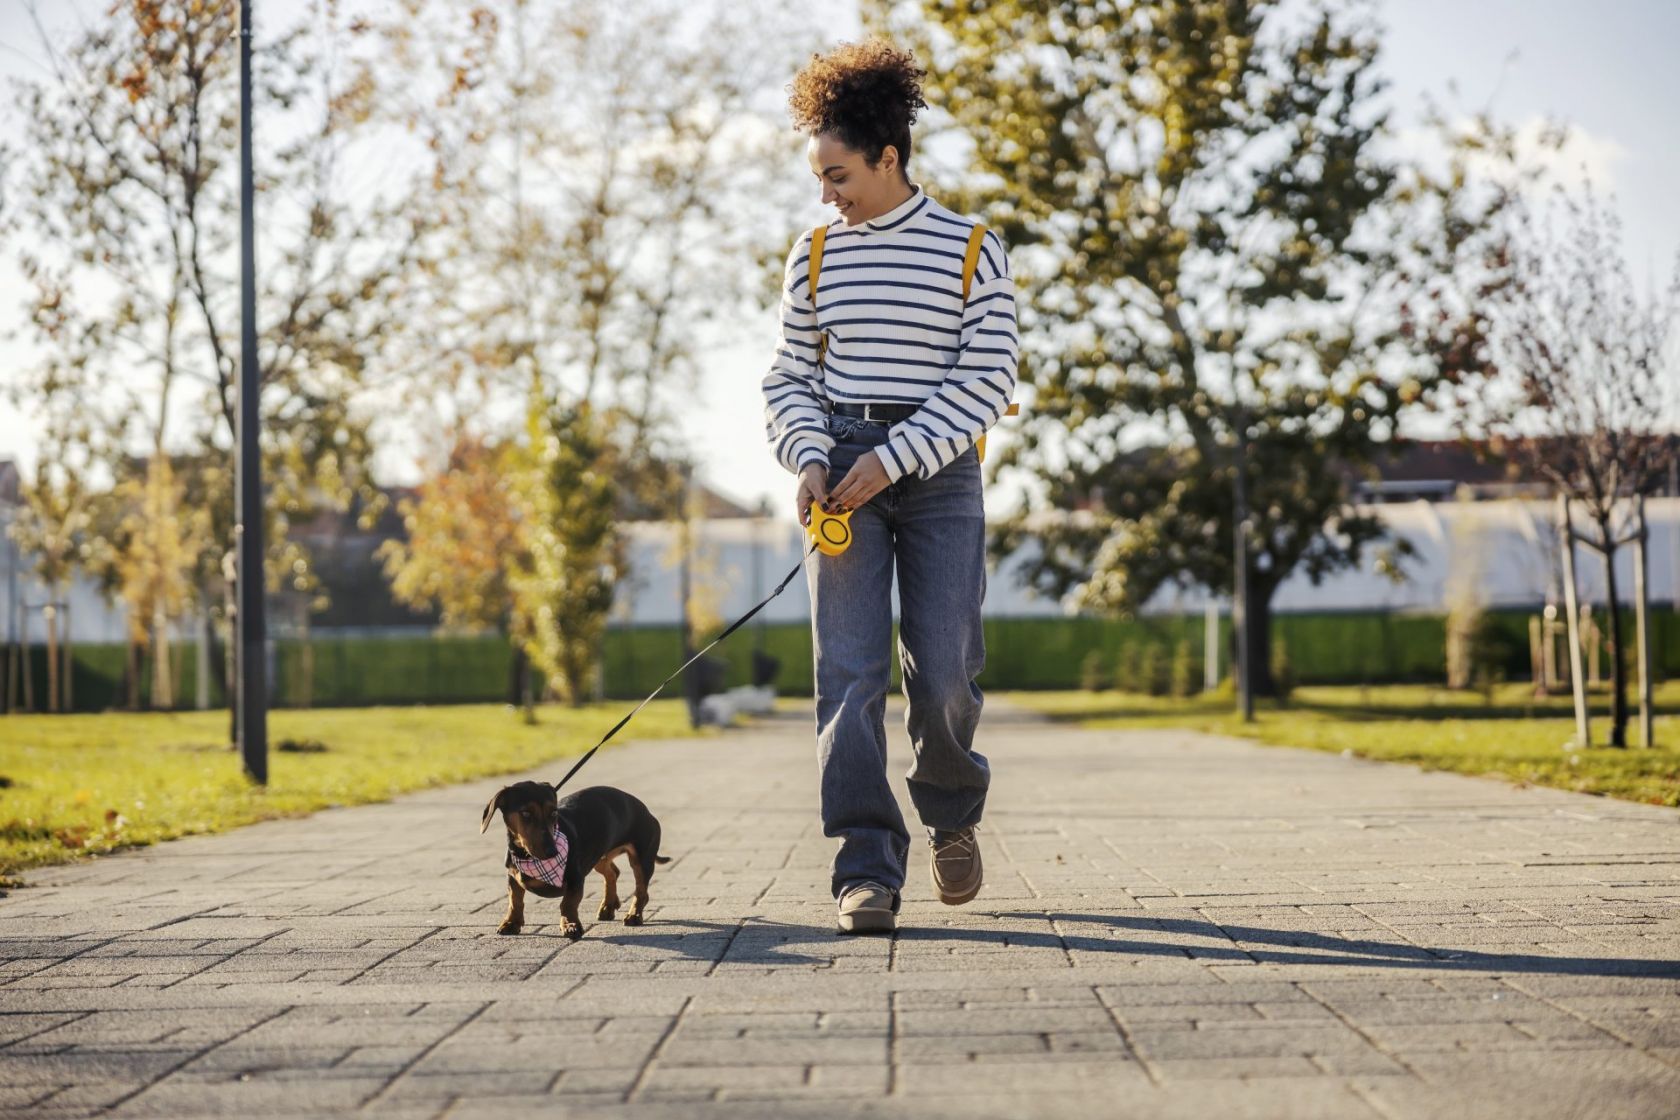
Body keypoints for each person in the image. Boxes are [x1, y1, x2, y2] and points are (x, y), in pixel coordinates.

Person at [761, 39, 1020, 934]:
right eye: (818, 178)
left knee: (945, 665)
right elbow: (789, 375)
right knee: (849, 674)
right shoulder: (814, 255)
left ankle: (950, 813)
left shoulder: (972, 249)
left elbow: (987, 378)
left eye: (836, 175)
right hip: (839, 466)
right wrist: (810, 457)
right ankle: (865, 866)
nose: (824, 193)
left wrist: (895, 457)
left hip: (939, 470)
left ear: (888, 158)